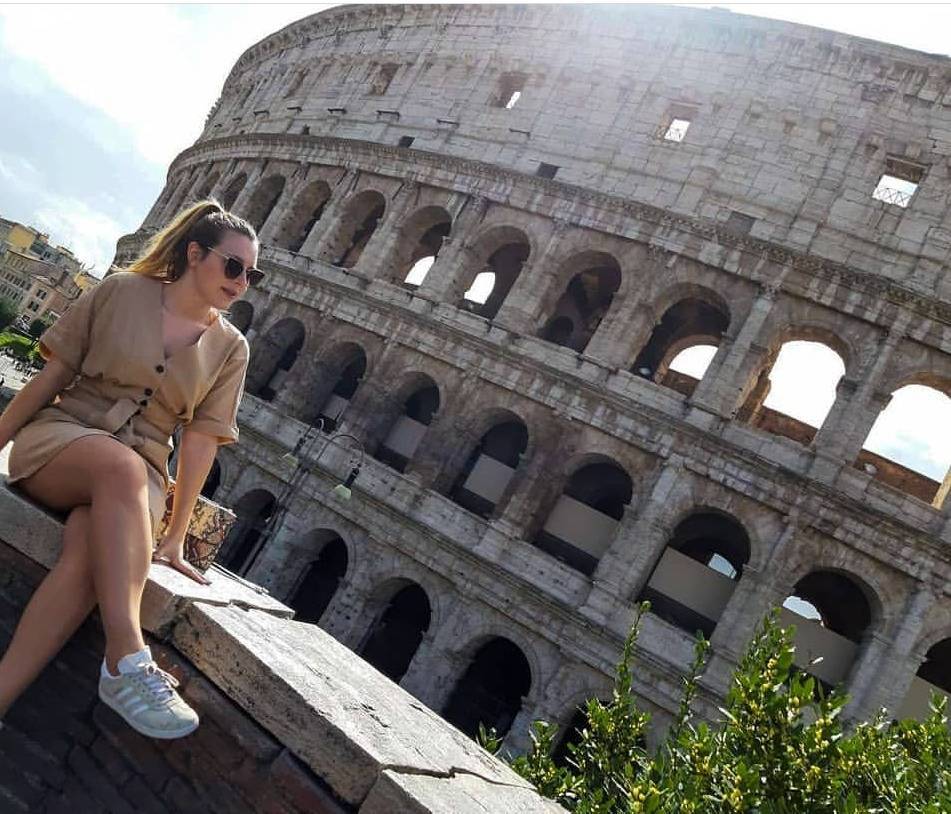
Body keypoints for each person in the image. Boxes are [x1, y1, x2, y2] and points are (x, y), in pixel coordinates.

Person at [0, 199, 261, 739]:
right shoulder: (121, 291)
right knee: (117, 469)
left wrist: (174, 536)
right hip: (63, 441)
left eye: (251, 274)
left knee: (86, 556)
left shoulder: (232, 349)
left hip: (142, 473)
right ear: (195, 254)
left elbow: (201, 443)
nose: (242, 282)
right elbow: (50, 381)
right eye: (232, 266)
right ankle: (126, 658)